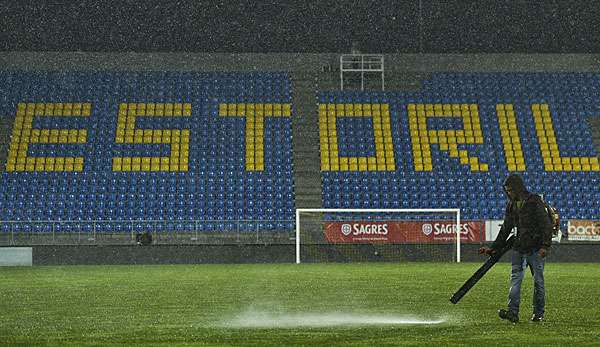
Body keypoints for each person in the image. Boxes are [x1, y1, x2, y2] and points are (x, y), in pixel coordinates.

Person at [479, 174, 553, 323]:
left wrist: (545, 245)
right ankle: (513, 312)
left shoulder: (534, 201)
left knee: (538, 281)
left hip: (536, 249)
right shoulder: (511, 206)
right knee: (515, 280)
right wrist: (492, 248)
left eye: (511, 190)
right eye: (507, 191)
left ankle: (538, 313)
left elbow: (546, 224)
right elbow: (505, 229)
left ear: (518, 188)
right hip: (519, 248)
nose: (509, 193)